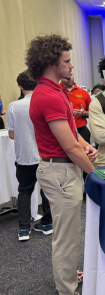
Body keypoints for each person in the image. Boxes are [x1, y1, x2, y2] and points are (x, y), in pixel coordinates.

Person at [25, 34, 98, 295]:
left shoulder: (55, 91)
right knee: (66, 237)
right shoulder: (50, 95)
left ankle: (67, 277)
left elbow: (70, 133)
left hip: (62, 169)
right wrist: (96, 175)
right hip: (60, 171)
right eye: (67, 61)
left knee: (69, 233)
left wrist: (85, 144)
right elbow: (68, 146)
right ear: (51, 63)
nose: (71, 66)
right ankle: (67, 288)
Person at [7, 71, 53, 241]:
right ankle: (48, 223)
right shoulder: (45, 102)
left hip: (24, 157)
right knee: (47, 191)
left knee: (24, 191)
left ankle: (24, 229)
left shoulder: (14, 106)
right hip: (45, 155)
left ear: (20, 86)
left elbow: (11, 135)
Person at [60, 74, 92, 146]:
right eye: (66, 77)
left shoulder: (83, 93)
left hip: (81, 129)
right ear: (60, 78)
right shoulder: (56, 91)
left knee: (86, 154)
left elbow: (93, 113)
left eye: (70, 75)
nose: (69, 78)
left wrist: (84, 113)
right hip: (63, 130)